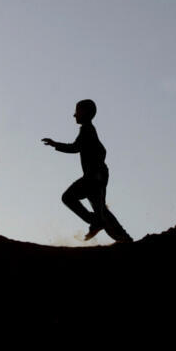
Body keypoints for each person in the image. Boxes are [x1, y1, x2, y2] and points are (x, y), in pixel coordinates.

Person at [42, 99, 132, 243]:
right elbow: (100, 150)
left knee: (68, 198)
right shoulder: (89, 129)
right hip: (98, 176)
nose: (74, 115)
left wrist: (55, 144)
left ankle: (96, 221)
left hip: (94, 177)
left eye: (77, 111)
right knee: (102, 212)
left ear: (85, 112)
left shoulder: (87, 129)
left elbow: (75, 147)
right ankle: (123, 239)